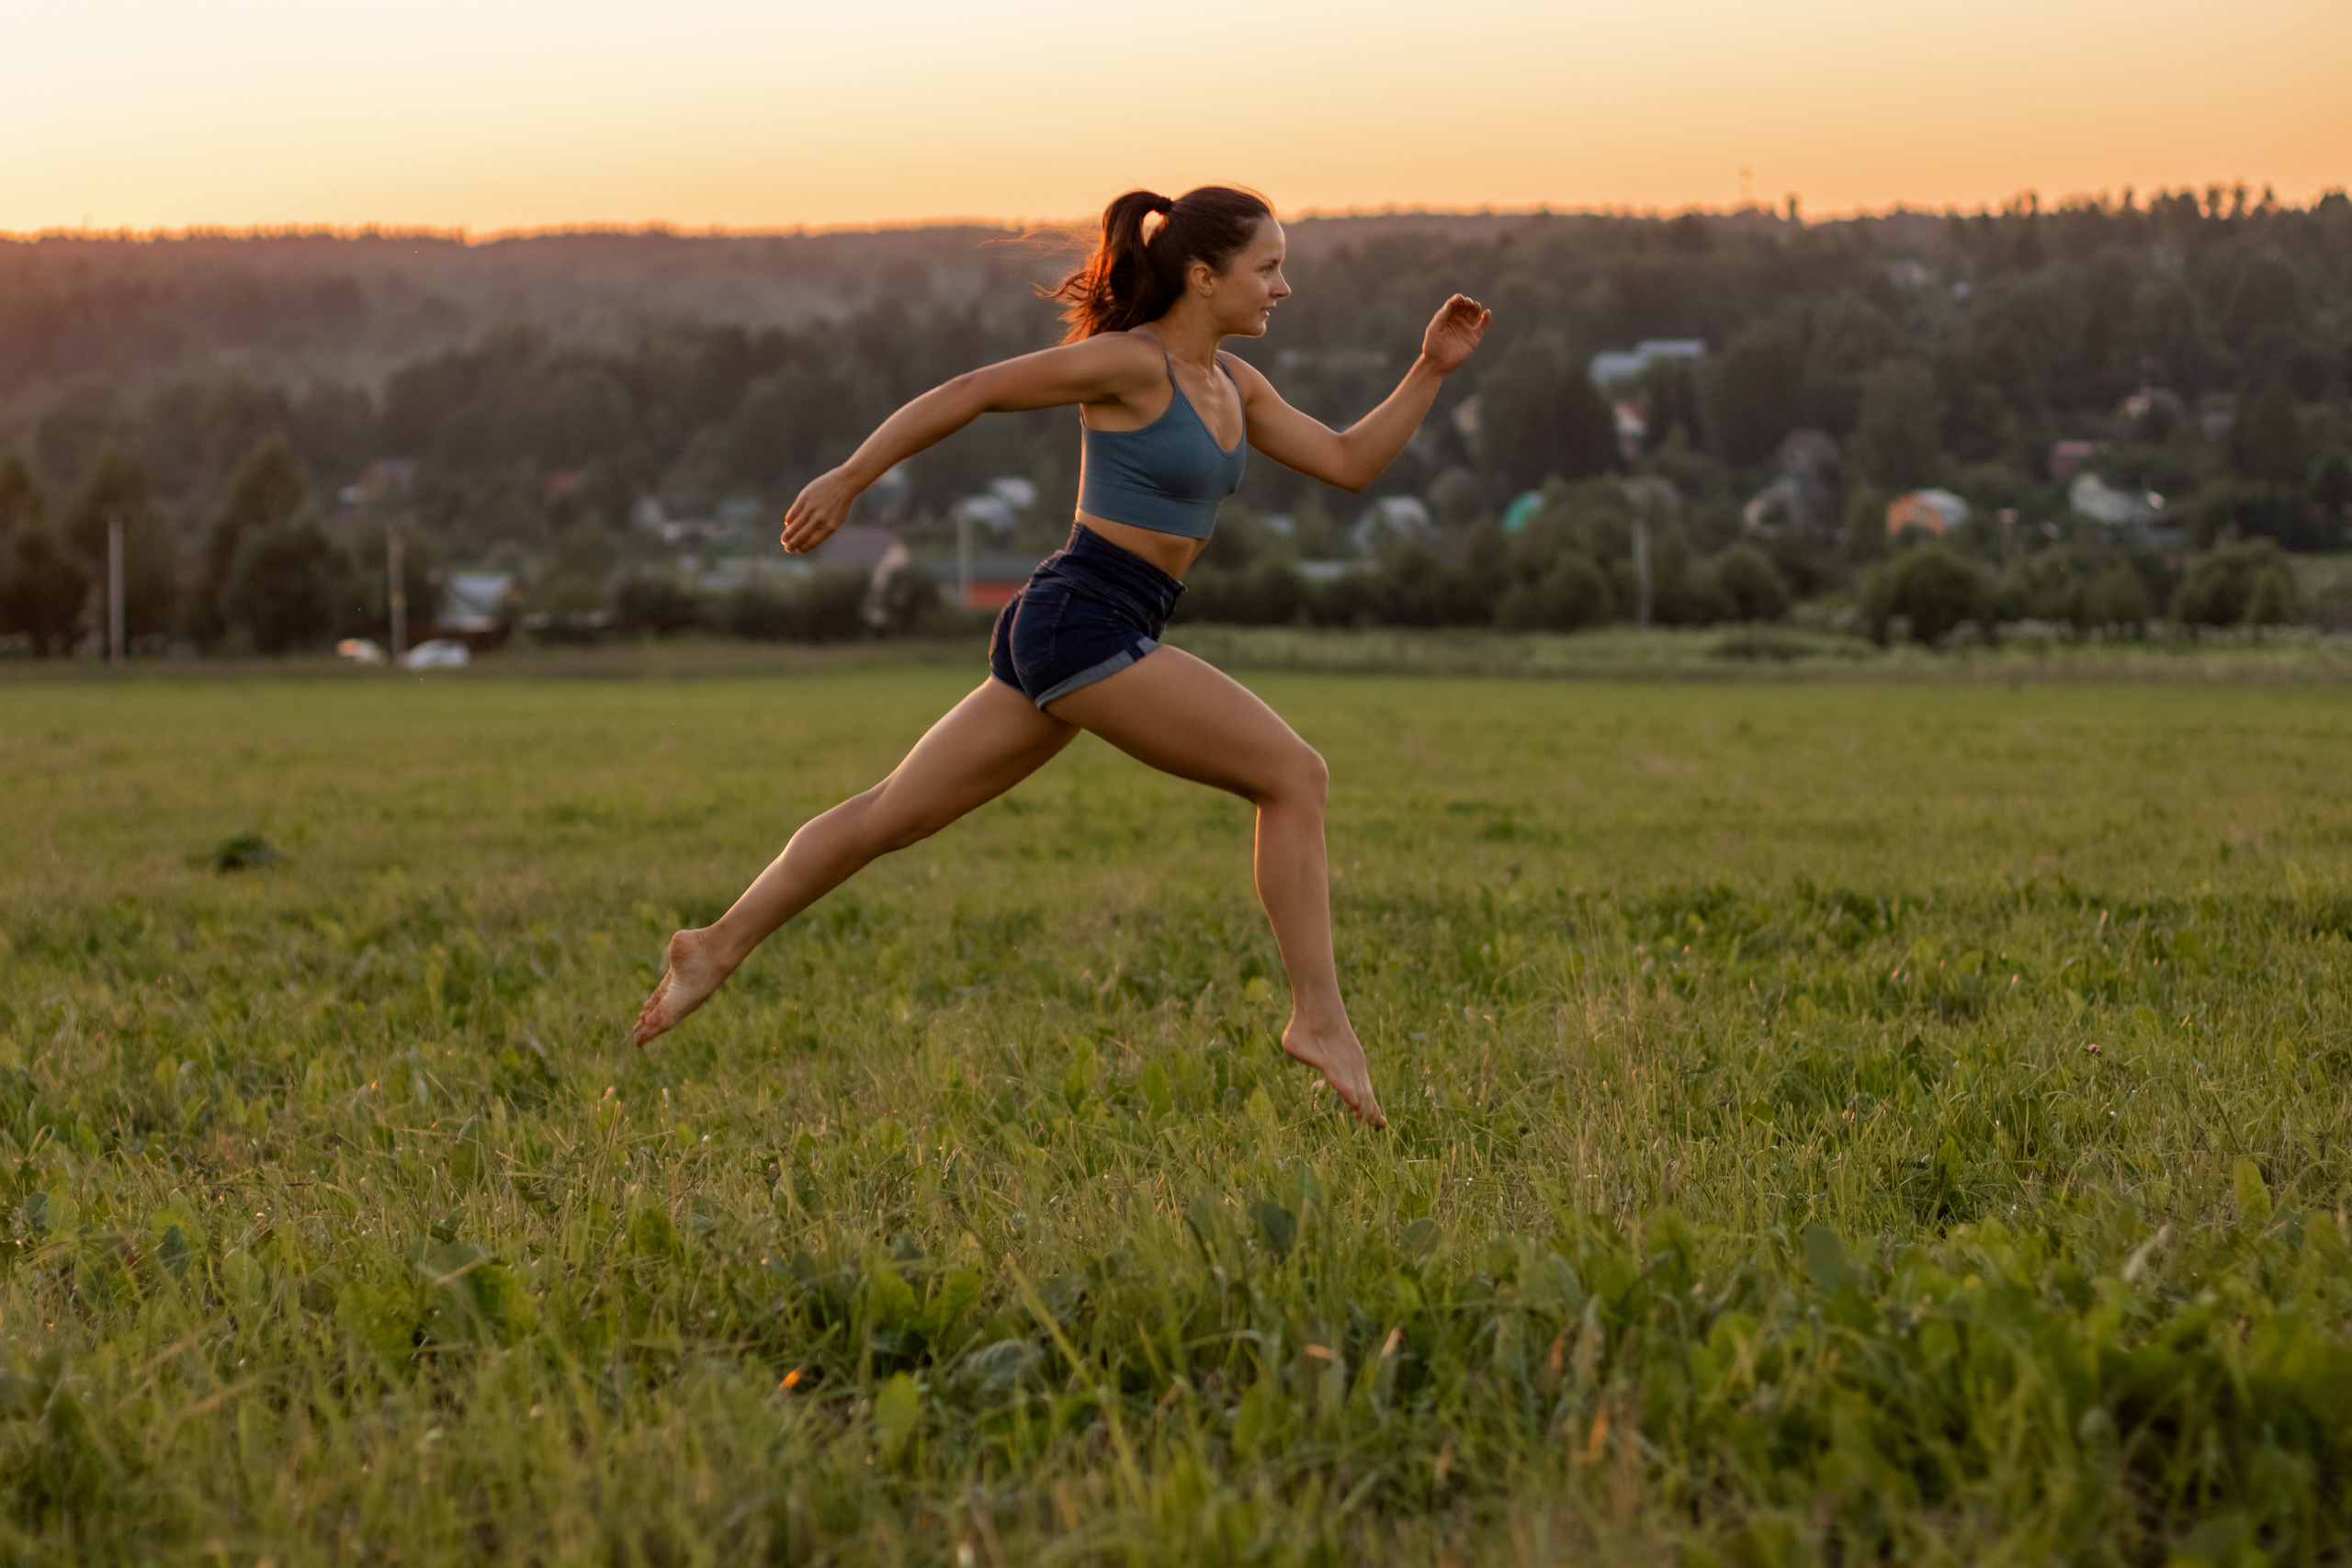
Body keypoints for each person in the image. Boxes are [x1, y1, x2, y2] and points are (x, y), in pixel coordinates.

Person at [632, 186, 1489, 1127]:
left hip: (1093, 622)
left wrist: (1430, 367)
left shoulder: (1237, 387)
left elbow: (1348, 461)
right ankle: (1319, 1019)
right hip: (1083, 618)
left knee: (891, 815)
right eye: (1268, 267)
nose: (1283, 287)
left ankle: (714, 945)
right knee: (1293, 776)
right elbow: (975, 392)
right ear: (1203, 277)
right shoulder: (1129, 364)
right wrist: (849, 478)